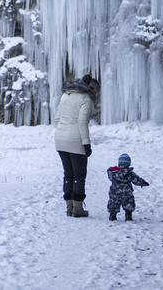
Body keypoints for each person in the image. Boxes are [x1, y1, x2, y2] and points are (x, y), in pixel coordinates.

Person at [54, 73, 99, 217]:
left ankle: (69, 207)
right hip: (75, 140)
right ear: (91, 88)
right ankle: (78, 208)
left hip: (60, 140)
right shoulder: (85, 99)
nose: (96, 94)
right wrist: (86, 144)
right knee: (79, 174)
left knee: (68, 173)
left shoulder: (65, 95)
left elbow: (57, 119)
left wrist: (63, 130)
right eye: (96, 91)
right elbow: (82, 122)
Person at [106, 152, 150, 221]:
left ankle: (112, 215)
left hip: (114, 192)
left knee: (113, 202)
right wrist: (143, 183)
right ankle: (128, 216)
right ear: (128, 164)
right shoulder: (129, 173)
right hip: (127, 193)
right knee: (129, 203)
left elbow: (111, 178)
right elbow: (136, 180)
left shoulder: (113, 173)